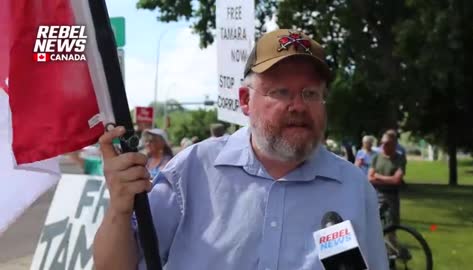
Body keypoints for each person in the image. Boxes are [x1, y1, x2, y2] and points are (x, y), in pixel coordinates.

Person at [93, 29, 388, 270]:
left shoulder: (353, 187)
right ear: (245, 100)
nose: (298, 106)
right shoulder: (194, 170)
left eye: (310, 93)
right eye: (281, 92)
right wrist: (119, 209)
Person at [368, 132, 406, 227]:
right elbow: (370, 178)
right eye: (382, 143)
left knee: (392, 226)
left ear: (394, 144)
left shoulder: (399, 158)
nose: (384, 145)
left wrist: (377, 176)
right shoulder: (376, 157)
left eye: (387, 143)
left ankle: (392, 242)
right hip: (376, 195)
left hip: (392, 196)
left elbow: (396, 180)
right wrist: (389, 179)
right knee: (373, 225)